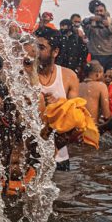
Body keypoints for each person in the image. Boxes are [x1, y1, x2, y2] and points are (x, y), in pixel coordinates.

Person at [34, 27, 80, 170]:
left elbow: (75, 119)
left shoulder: (69, 76)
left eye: (41, 47)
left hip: (60, 158)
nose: (35, 51)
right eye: (34, 46)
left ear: (55, 52)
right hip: (31, 158)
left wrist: (58, 107)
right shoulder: (22, 75)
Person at [83, 0, 112, 70]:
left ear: (105, 11)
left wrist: (108, 25)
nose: (99, 13)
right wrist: (91, 20)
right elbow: (83, 23)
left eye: (101, 11)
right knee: (97, 77)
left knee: (110, 77)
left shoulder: (111, 21)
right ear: (94, 12)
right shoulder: (91, 22)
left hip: (110, 54)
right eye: (97, 11)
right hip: (96, 55)